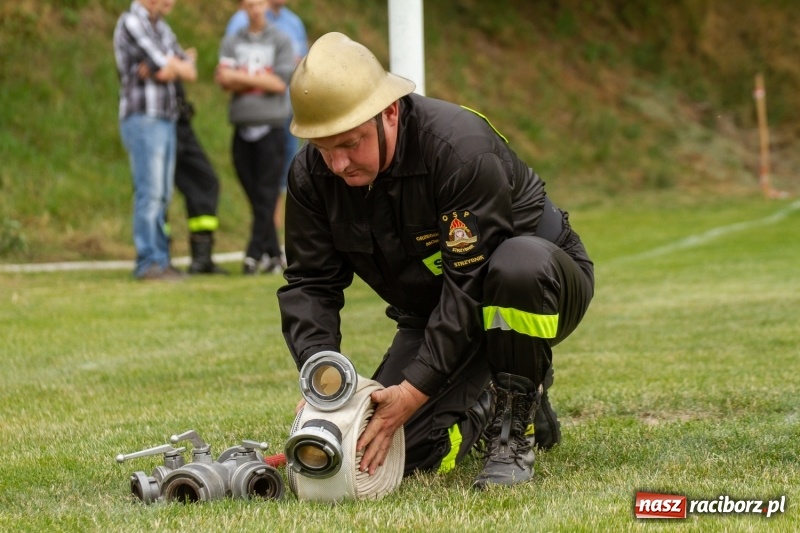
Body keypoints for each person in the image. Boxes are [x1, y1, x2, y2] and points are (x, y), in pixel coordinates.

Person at [277, 33, 595, 489]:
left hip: (535, 288)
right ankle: (502, 389)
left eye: (349, 143)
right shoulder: (311, 175)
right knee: (386, 451)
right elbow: (310, 283)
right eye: (324, 148)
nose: (339, 164)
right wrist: (323, 379)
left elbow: (470, 285)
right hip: (432, 314)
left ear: (388, 112)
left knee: (517, 262)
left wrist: (413, 391)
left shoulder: (459, 149)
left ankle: (512, 423)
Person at [114, 0, 196, 280]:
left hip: (166, 117)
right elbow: (165, 62)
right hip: (143, 117)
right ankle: (148, 262)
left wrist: (170, 65)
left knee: (162, 194)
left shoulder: (161, 26)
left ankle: (161, 261)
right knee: (149, 194)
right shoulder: (131, 21)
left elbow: (188, 69)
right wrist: (168, 63)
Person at [216, 0, 295, 275]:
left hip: (272, 127)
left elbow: (279, 83)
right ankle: (273, 254)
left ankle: (252, 255)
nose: (255, 9)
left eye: (259, 3)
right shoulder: (232, 40)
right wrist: (260, 77)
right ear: (243, 8)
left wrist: (240, 76)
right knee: (257, 196)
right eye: (249, 4)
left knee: (267, 193)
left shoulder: (281, 39)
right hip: (241, 126)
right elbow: (223, 80)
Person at [151, 0, 228, 275]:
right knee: (158, 190)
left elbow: (187, 69)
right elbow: (160, 69)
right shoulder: (137, 27)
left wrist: (180, 63)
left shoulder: (163, 30)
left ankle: (201, 258)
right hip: (158, 121)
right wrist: (179, 63)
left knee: (205, 181)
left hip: (181, 122)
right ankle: (158, 258)